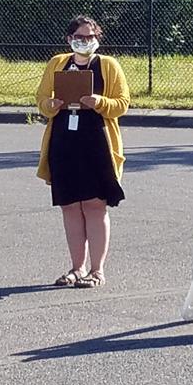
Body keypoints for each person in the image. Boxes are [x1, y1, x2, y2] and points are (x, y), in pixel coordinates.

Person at [36, 15, 130, 288]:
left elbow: (122, 103)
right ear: (69, 39)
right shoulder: (57, 63)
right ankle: (77, 268)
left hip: (97, 141)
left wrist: (99, 101)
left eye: (90, 36)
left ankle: (97, 270)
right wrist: (51, 104)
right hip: (64, 141)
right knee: (69, 206)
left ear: (97, 38)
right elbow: (41, 100)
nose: (85, 41)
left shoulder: (108, 65)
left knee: (94, 205)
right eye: (79, 36)